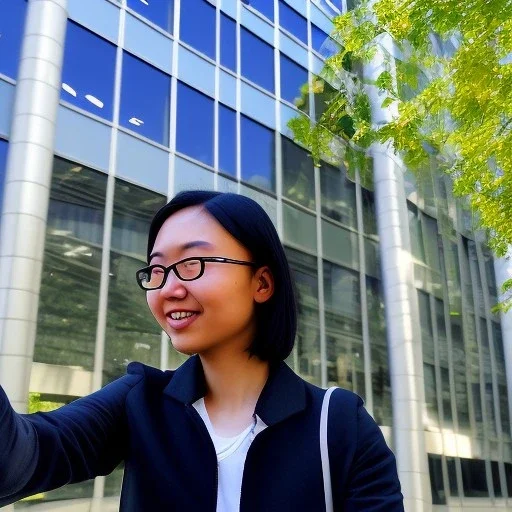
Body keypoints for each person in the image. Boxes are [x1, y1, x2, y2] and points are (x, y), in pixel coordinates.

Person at [0, 190, 404, 511]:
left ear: (261, 283)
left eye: (193, 262)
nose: (169, 288)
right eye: (157, 270)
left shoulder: (339, 426)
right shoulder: (139, 402)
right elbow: (21, 459)